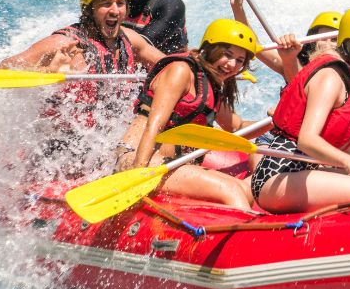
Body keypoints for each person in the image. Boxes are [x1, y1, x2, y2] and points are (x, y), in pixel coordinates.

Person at [251, 7, 350, 213]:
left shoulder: (348, 76)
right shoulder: (331, 77)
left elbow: (346, 145)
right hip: (275, 176)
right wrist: (348, 163)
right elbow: (307, 140)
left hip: (298, 170)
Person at [0, 0, 165, 165]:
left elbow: (169, 66)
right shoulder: (65, 43)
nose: (114, 10)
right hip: (57, 149)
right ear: (89, 9)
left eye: (120, 3)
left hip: (107, 140)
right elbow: (3, 69)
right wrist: (46, 74)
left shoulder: (130, 39)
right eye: (106, 4)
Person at [114, 19, 265, 210]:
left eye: (240, 60)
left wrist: (276, 120)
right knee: (231, 189)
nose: (232, 64)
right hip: (137, 157)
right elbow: (155, 125)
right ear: (211, 49)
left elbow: (237, 127)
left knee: (243, 190)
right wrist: (138, 175)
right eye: (227, 55)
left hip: (172, 163)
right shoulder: (181, 71)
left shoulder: (211, 83)